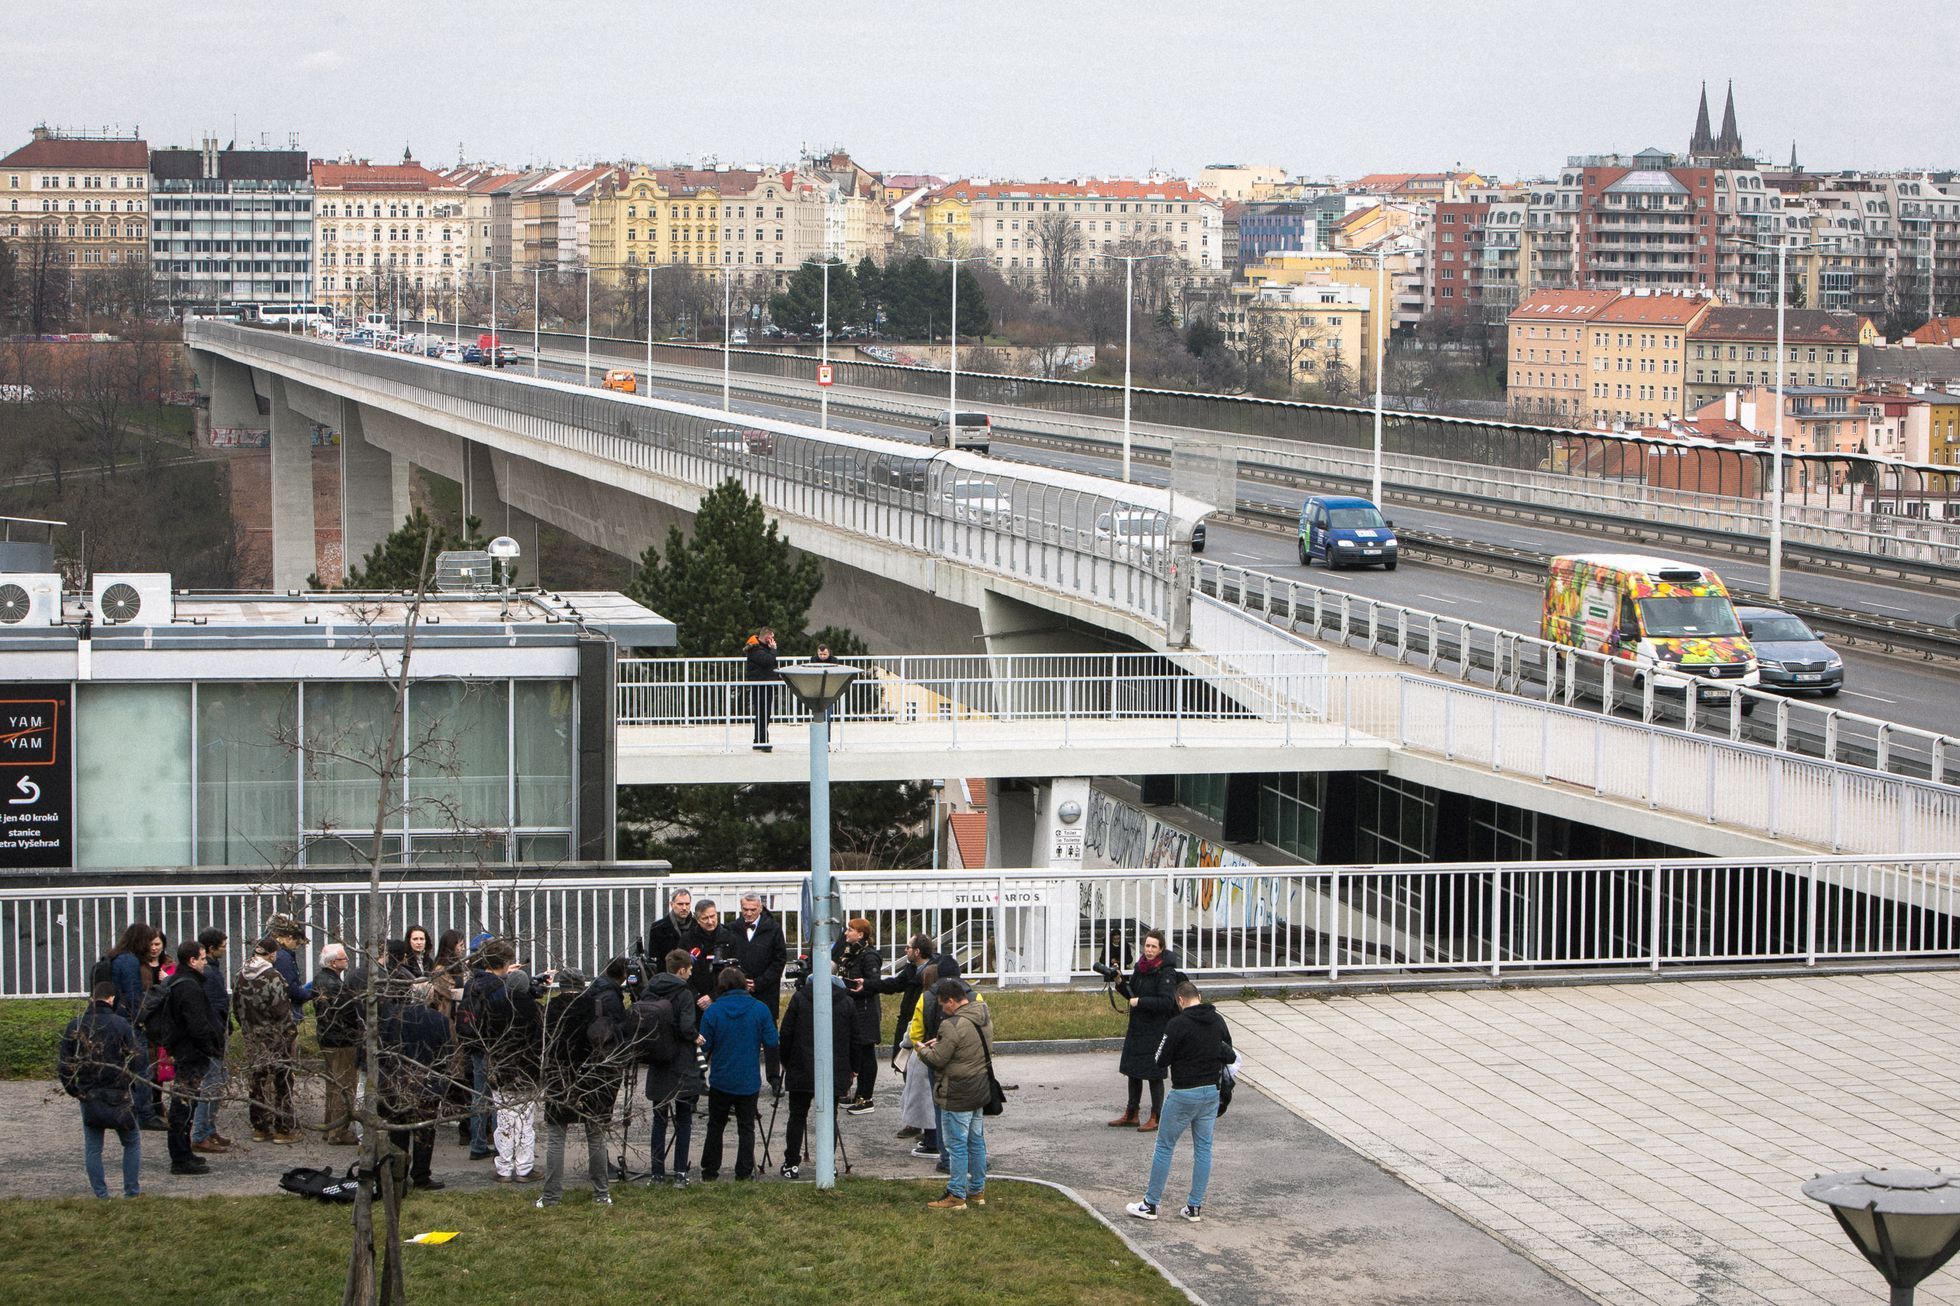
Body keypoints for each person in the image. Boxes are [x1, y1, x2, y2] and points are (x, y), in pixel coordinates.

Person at [1127, 981, 1234, 1224]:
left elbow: (1160, 1060)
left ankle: (1150, 1204)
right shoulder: (1218, 1020)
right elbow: (1228, 1050)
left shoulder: (1177, 1024)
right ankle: (1194, 1207)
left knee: (1165, 1146)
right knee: (1203, 1148)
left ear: (1180, 1001)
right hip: (1210, 1093)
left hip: (1184, 1092)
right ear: (1199, 996)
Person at [536, 959, 629, 1208]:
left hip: (559, 1077)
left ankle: (551, 1196)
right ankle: (601, 1193)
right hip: (591, 1076)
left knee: (556, 1138)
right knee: (595, 1136)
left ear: (561, 985)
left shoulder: (550, 1009)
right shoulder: (595, 1006)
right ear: (581, 985)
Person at [58, 979, 143, 1198]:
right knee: (131, 1142)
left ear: (92, 999)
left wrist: (73, 1089)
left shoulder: (76, 1025)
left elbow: (65, 1064)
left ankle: (101, 1194)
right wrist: (129, 1083)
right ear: (112, 999)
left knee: (94, 1147)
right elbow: (135, 1059)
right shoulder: (121, 1025)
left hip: (89, 1092)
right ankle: (131, 1191)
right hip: (118, 1093)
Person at [916, 978, 994, 1210]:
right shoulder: (982, 1015)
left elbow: (938, 1060)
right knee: (976, 1141)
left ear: (951, 1001)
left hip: (956, 1091)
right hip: (979, 1088)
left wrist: (923, 1051)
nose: (942, 1009)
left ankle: (956, 1194)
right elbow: (963, 1045)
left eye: (942, 1005)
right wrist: (940, 1043)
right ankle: (977, 1191)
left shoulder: (951, 1025)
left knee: (956, 1145)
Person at [774, 963, 855, 1180]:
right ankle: (828, 1163)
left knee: (797, 1116)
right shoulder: (846, 1001)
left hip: (801, 1066)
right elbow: (854, 1039)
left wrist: (786, 1061)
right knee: (830, 1115)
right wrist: (853, 1068)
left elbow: (787, 1033)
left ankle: (791, 1162)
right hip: (834, 1068)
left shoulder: (800, 999)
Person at [697, 966, 778, 1182]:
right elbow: (771, 1041)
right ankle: (743, 1171)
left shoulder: (713, 1011)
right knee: (746, 1126)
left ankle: (710, 1170)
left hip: (721, 1077)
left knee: (716, 1125)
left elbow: (704, 1046)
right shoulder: (759, 1009)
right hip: (748, 1078)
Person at [475, 940, 544, 1183]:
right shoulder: (534, 1009)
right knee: (525, 1121)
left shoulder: (494, 1005)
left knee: (504, 1119)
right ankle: (524, 1167)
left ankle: (504, 1167)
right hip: (526, 1069)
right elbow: (540, 1042)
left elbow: (484, 1034)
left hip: (500, 1068)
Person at [378, 971, 451, 1193]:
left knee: (398, 1131)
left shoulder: (391, 1017)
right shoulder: (438, 1020)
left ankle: (397, 1173)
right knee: (424, 1132)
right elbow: (444, 1054)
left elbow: (382, 1052)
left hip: (396, 1080)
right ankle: (421, 1175)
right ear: (430, 997)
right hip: (426, 1082)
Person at [160, 939, 226, 1176]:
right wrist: (211, 1047)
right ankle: (179, 1157)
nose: (204, 962)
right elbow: (197, 1024)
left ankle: (185, 1152)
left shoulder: (181, 981)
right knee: (183, 1105)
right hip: (190, 1054)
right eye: (201, 958)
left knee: (187, 1103)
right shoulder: (188, 986)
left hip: (186, 1051)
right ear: (192, 960)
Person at [640, 949, 703, 1187]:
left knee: (659, 1119)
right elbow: (687, 1027)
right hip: (681, 1061)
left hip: (657, 1059)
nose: (691, 972)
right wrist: (696, 1037)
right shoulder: (683, 993)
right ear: (681, 970)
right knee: (684, 1119)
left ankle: (657, 1172)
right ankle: (679, 1173)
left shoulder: (650, 989)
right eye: (689, 969)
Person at [1109, 929, 1181, 1133]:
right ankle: (1132, 1113)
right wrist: (1119, 982)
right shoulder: (1141, 966)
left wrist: (1140, 1001)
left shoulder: (1166, 971)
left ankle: (1156, 1116)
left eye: (1153, 947)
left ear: (1161, 949)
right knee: (1133, 1070)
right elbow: (1132, 994)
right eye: (1146, 946)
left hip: (1156, 1029)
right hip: (1138, 1026)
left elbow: (1166, 1002)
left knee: (1154, 1074)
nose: (1149, 950)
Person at [235, 937, 301, 1143]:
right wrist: (290, 1034)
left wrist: (247, 1029)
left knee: (257, 1082)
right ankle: (283, 1129)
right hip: (276, 1037)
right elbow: (282, 1011)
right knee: (283, 1082)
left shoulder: (240, 976)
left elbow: (236, 1008)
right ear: (272, 954)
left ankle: (260, 1127)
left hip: (252, 1037)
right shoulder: (274, 977)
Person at [108, 923, 165, 1130]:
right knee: (142, 1070)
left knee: (125, 1070)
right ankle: (145, 1115)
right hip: (129, 1023)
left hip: (115, 1020)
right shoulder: (130, 961)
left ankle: (128, 1111)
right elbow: (134, 998)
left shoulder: (115, 957)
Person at [730, 892, 787, 1090]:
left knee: (770, 1034)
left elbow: (779, 960)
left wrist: (760, 982)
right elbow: (730, 959)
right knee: (741, 1034)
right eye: (745, 909)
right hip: (740, 990)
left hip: (766, 991)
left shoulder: (773, 929)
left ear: (760, 909)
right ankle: (744, 1076)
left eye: (753, 910)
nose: (749, 913)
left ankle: (774, 1077)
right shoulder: (732, 928)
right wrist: (740, 981)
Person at [831, 918, 883, 1114]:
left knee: (866, 1053)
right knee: (858, 1053)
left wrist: (850, 990)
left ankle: (866, 1097)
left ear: (861, 934)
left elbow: (872, 984)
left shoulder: (869, 956)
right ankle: (859, 1093)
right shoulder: (851, 953)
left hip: (865, 1012)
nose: (846, 933)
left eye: (850, 930)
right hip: (853, 1010)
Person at [313, 942, 363, 1145]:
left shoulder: (320, 979)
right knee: (344, 1086)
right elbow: (349, 1013)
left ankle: (330, 1127)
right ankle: (338, 1131)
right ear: (334, 962)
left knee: (333, 1085)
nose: (348, 961)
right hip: (341, 1040)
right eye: (344, 958)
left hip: (326, 1037)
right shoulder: (334, 985)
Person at [190, 927, 232, 1154]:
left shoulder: (212, 971)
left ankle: (209, 1128)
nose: (225, 950)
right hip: (212, 1036)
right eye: (223, 946)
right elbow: (214, 1006)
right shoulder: (209, 973)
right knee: (211, 1084)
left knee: (217, 1082)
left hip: (216, 1033)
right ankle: (200, 1133)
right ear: (211, 948)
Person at [896, 963, 940, 1156]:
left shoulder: (925, 999)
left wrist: (905, 1044)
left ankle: (931, 1143)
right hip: (943, 1054)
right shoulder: (951, 999)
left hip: (923, 1055)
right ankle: (938, 1141)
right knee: (938, 1101)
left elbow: (914, 1031)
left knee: (925, 1105)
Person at [679, 900, 735, 1012]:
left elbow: (734, 971)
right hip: (695, 1000)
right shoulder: (687, 939)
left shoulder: (729, 937)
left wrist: (713, 996)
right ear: (697, 919)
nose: (710, 921)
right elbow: (681, 969)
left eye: (713, 916)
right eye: (705, 918)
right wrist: (696, 997)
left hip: (722, 998)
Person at [744, 627, 779, 751]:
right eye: (772, 637)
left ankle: (759, 740)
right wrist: (774, 649)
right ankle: (762, 741)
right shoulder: (755, 649)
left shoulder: (761, 648)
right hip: (760, 684)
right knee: (763, 712)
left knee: (764, 713)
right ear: (767, 637)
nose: (773, 640)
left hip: (765, 683)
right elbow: (768, 661)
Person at [646, 888, 693, 962]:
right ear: (671, 904)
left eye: (687, 904)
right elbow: (654, 959)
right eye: (680, 904)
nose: (684, 908)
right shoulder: (658, 928)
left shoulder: (697, 926)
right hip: (666, 971)